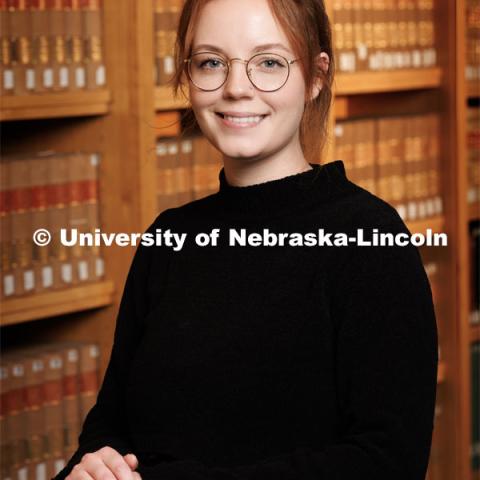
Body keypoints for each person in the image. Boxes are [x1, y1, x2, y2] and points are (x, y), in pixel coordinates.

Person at [54, 1, 439, 479]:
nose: (236, 88)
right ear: (187, 76)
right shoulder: (168, 239)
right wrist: (90, 470)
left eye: (270, 63)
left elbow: (386, 463)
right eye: (211, 62)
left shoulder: (370, 240)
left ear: (317, 76)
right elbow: (109, 429)